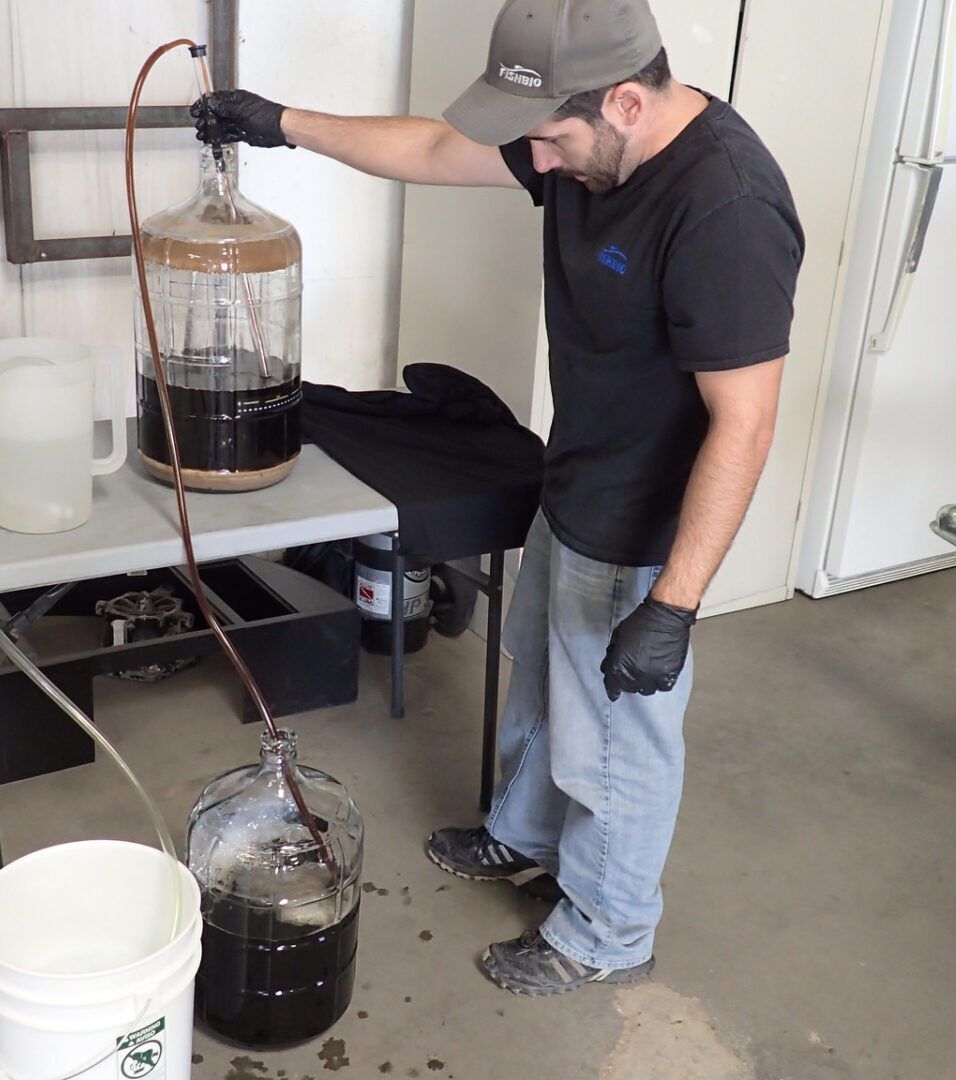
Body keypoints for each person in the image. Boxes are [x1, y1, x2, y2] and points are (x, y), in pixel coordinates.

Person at [196, 0, 803, 996]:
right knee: (537, 682)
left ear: (626, 100)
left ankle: (607, 930)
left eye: (554, 139)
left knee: (618, 740)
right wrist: (278, 122)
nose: (542, 163)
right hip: (573, 479)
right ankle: (523, 835)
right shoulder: (582, 138)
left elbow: (746, 422)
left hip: (646, 522)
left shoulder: (724, 208)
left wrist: (675, 604)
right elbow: (437, 148)